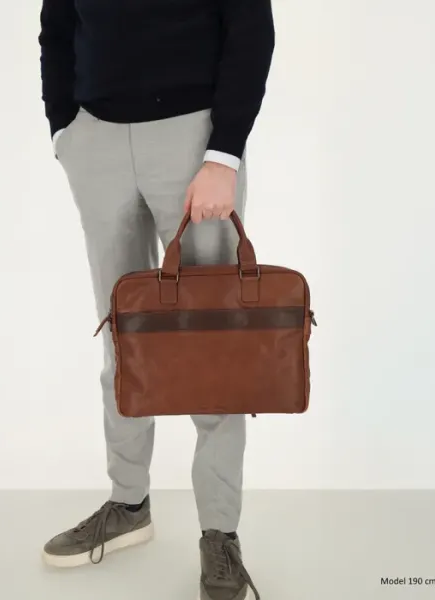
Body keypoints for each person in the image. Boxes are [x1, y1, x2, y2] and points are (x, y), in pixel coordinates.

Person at [38, 1, 274, 598]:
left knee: (213, 349)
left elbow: (250, 28)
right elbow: (57, 25)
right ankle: (128, 504)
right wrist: (64, 128)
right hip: (96, 139)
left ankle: (219, 533)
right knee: (122, 339)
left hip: (194, 139)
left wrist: (224, 153)